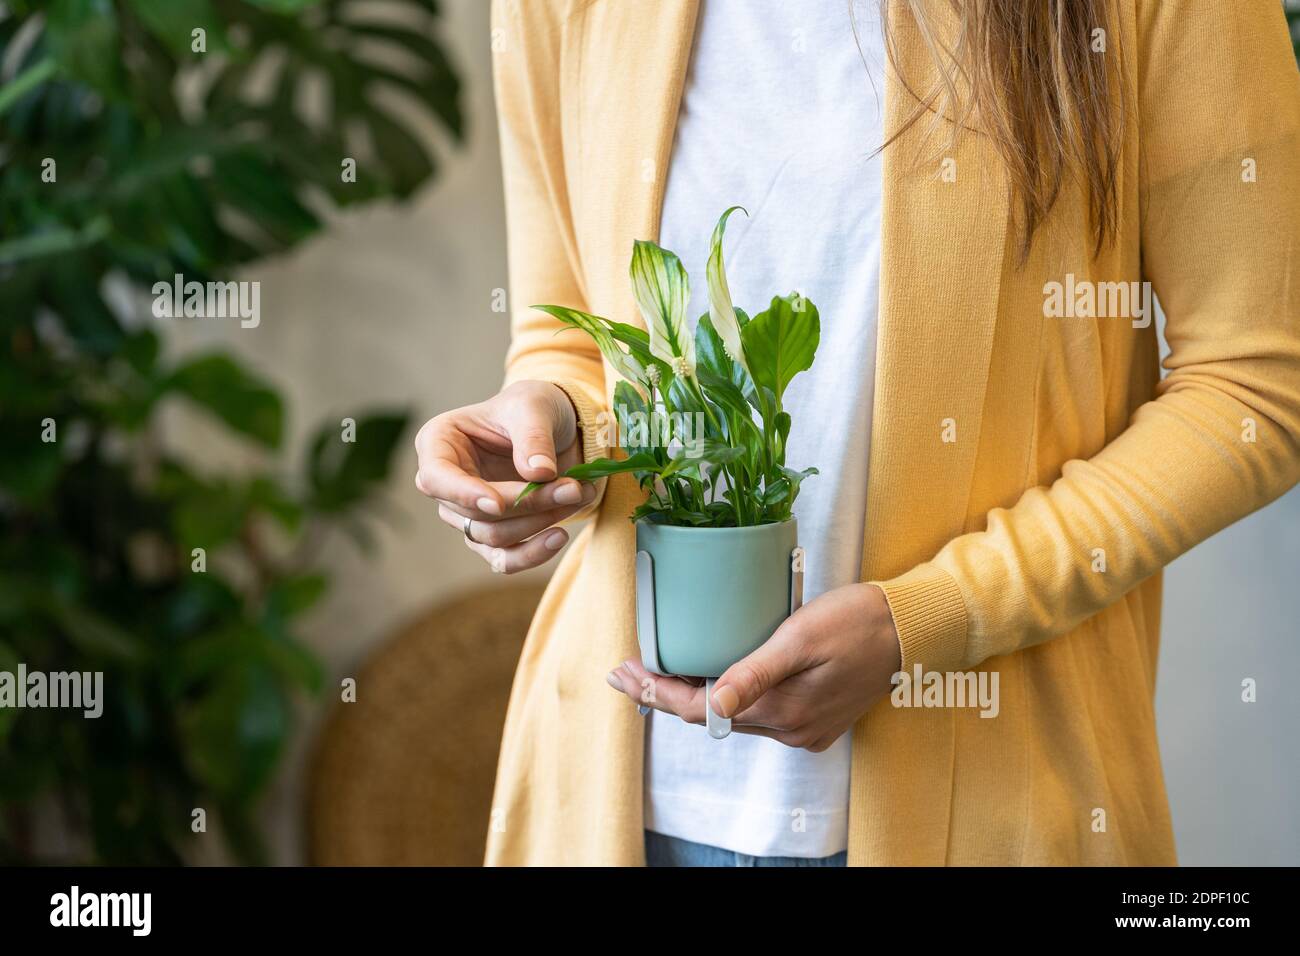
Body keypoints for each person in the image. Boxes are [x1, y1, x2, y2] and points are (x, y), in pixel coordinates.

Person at [414, 0, 1300, 866]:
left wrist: (929, 622)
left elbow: (1256, 387)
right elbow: (571, 328)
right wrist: (557, 425)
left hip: (1001, 797)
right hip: (617, 796)